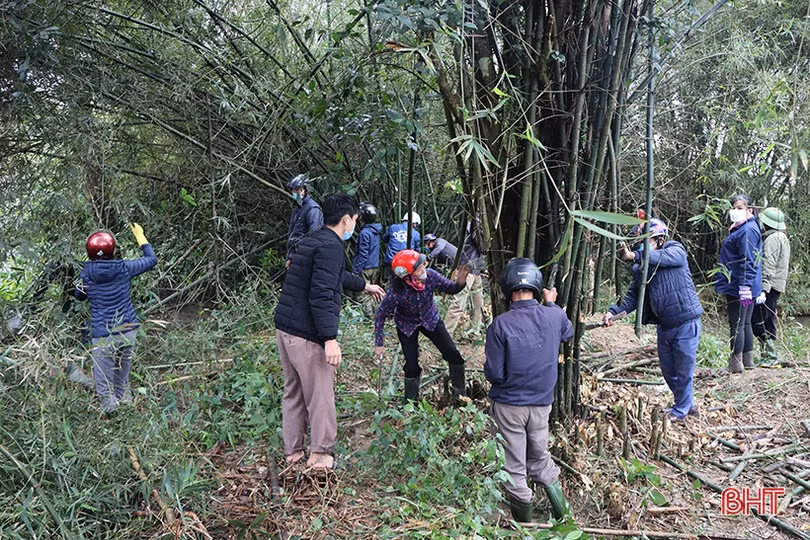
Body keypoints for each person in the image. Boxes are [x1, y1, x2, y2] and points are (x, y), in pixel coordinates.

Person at [274, 194, 385, 469]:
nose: (354, 227)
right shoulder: (332, 247)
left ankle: (294, 452)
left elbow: (332, 275)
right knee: (320, 393)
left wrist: (364, 285)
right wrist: (329, 339)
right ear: (346, 219)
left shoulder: (314, 240)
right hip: (307, 334)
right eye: (354, 221)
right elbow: (322, 293)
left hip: (286, 329)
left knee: (294, 391)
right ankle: (321, 455)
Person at [484, 258, 573, 523]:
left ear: (508, 288)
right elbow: (567, 334)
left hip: (510, 407)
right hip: (542, 405)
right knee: (540, 458)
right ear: (537, 285)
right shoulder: (554, 315)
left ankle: (524, 526)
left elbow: (496, 375)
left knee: (514, 466)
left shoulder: (500, 325)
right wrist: (551, 304)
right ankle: (565, 520)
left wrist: (487, 366)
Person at [600, 219, 704, 420]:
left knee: (684, 369)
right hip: (665, 325)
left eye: (643, 242)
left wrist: (635, 255)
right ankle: (687, 405)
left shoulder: (675, 250)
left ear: (659, 240)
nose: (639, 246)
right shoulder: (641, 268)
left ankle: (681, 410)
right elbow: (632, 296)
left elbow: (664, 258)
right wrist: (613, 312)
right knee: (668, 370)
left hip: (685, 322)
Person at [73, 224, 158, 414]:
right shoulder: (124, 267)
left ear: (89, 252)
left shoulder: (85, 274)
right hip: (128, 328)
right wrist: (140, 237)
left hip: (104, 334)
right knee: (122, 374)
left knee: (103, 380)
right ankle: (126, 407)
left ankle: (113, 416)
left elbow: (79, 297)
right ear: (113, 249)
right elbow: (151, 260)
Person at [374, 250, 469, 401]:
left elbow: (450, 288)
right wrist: (379, 343)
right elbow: (380, 316)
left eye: (423, 266)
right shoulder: (395, 293)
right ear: (407, 275)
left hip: (430, 319)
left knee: (453, 353)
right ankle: (410, 402)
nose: (424, 269)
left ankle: (460, 394)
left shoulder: (431, 276)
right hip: (407, 325)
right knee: (411, 366)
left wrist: (460, 283)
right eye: (419, 269)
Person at [716, 194, 763, 373]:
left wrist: (745, 287)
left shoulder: (747, 230)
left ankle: (735, 363)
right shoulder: (744, 228)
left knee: (737, 323)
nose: (735, 211)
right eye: (733, 207)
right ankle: (747, 360)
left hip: (740, 286)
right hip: (745, 285)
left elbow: (748, 261)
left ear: (749, 210)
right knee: (745, 323)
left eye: (739, 208)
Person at [753, 207, 790, 367]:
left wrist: (763, 289)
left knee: (758, 320)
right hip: (776, 285)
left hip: (769, 286)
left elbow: (769, 264)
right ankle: (769, 355)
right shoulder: (782, 236)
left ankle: (770, 355)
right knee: (768, 320)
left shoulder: (773, 238)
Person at [444, 220, 486, 337]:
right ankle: (446, 334)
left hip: (476, 269)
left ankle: (474, 331)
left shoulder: (479, 221)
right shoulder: (474, 223)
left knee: (478, 303)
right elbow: (482, 245)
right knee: (459, 303)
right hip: (467, 268)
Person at [285, 173, 323, 269]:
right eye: (293, 190)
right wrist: (290, 257)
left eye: (297, 190)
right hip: (295, 256)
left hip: (305, 258)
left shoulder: (312, 209)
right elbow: (293, 234)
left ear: (305, 190)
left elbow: (313, 235)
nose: (294, 192)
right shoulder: (297, 209)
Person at [383, 212, 422, 280]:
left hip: (390, 260)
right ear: (414, 223)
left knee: (390, 280)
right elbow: (417, 252)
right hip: (405, 263)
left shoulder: (392, 227)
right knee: (403, 283)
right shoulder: (416, 234)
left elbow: (384, 239)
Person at [352, 202, 383, 285]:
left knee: (363, 295)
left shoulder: (364, 233)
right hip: (374, 266)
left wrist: (356, 271)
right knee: (373, 294)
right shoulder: (375, 231)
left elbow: (363, 254)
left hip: (365, 268)